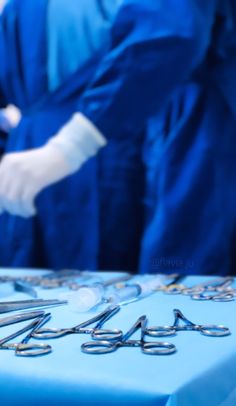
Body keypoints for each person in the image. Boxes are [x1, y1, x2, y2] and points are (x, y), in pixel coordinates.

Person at [0, 0, 236, 276]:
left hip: (146, 143)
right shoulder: (25, 8)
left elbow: (171, 32)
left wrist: (71, 146)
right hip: (41, 162)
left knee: (173, 276)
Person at [0, 0, 144, 271]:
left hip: (31, 155)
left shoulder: (19, 9)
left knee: (36, 273)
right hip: (112, 146)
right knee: (129, 276)